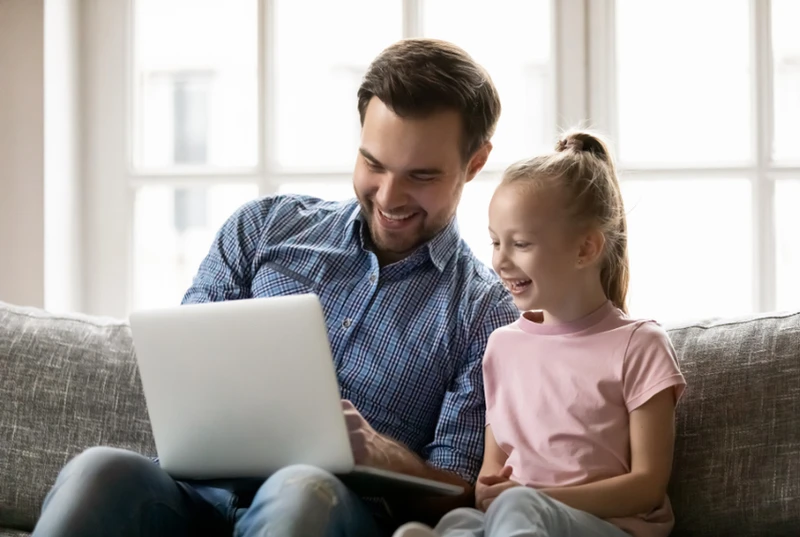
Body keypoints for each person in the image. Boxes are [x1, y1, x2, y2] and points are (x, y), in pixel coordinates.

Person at [31, 38, 519, 537]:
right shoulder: (265, 229)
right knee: (99, 470)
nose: (390, 196)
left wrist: (384, 453)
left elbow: (461, 495)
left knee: (303, 488)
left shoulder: (485, 314)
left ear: (475, 163)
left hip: (329, 510)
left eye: (421, 175)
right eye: (373, 164)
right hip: (191, 495)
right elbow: (177, 380)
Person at [394, 130, 687, 537]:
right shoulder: (502, 347)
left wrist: (534, 498)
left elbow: (648, 486)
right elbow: (490, 478)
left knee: (515, 506)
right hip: (522, 519)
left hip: (612, 527)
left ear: (585, 249)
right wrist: (490, 492)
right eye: (496, 242)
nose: (500, 261)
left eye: (521, 244)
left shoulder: (640, 345)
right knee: (455, 522)